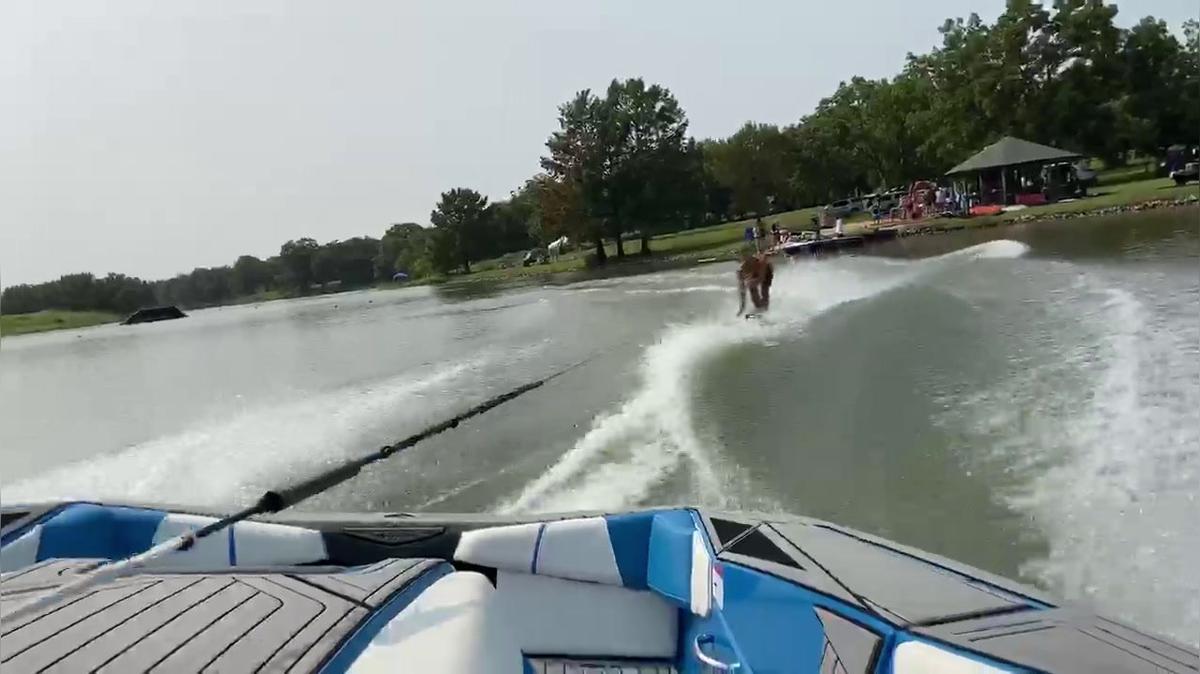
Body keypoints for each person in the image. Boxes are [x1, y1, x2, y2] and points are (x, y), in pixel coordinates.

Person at [736, 246, 774, 317]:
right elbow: (742, 290)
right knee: (752, 291)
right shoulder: (741, 271)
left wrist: (751, 282)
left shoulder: (761, 262)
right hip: (754, 273)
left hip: (767, 271)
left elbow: (761, 278)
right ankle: (759, 308)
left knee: (764, 291)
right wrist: (742, 308)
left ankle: (765, 309)